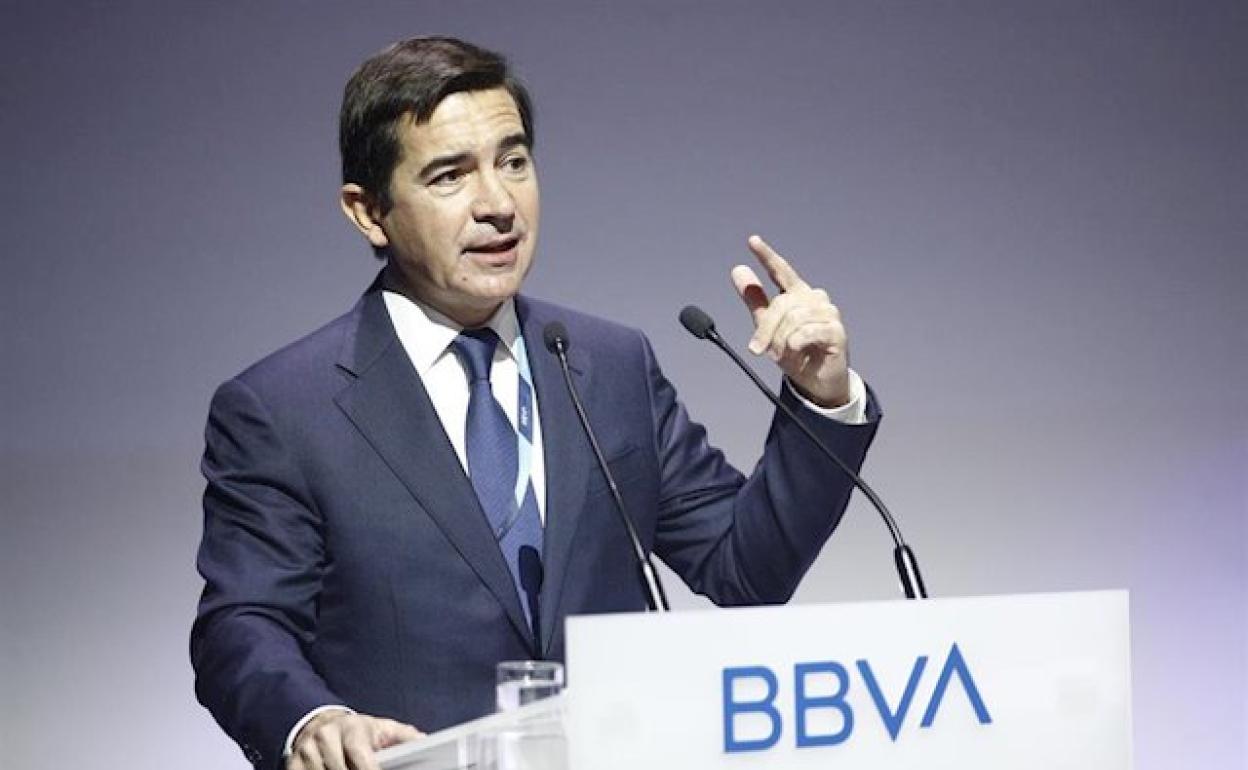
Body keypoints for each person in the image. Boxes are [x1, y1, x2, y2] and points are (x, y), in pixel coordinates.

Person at [191, 36, 880, 770]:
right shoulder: (284, 409)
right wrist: (313, 721)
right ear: (368, 212)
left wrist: (820, 395)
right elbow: (241, 623)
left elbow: (745, 568)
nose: (498, 205)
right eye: (450, 176)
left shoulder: (609, 366)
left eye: (514, 162)